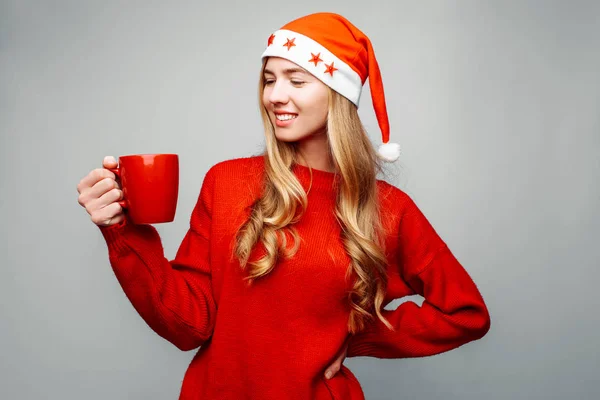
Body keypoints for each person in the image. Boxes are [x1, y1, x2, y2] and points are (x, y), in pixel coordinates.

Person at [76, 12, 490, 400]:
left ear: (338, 92)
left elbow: (465, 313)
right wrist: (120, 231)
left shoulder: (388, 208)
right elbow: (189, 323)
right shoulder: (225, 182)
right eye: (269, 79)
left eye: (296, 80)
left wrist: (355, 335)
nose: (275, 95)